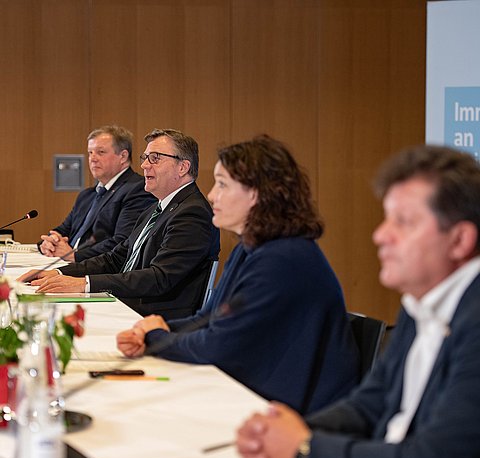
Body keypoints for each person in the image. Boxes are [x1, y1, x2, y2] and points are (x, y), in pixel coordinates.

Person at [236, 145, 480, 458]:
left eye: (403, 222)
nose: (380, 235)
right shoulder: (420, 303)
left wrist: (304, 448)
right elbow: (373, 402)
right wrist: (283, 433)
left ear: (460, 240)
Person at [116, 135, 359, 415]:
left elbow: (218, 346)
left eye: (222, 185)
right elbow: (210, 319)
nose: (211, 195)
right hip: (259, 388)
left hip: (290, 414)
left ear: (255, 194)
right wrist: (164, 329)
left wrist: (155, 337)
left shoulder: (283, 259)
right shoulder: (253, 246)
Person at [20, 128, 220, 319]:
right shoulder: (156, 208)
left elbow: (159, 277)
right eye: (145, 158)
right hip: (129, 304)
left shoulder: (192, 213)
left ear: (183, 167)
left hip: (154, 317)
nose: (144, 165)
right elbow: (115, 259)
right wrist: (57, 272)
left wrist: (84, 284)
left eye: (155, 158)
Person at [38, 125, 156, 262]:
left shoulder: (137, 189)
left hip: (98, 269)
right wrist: (50, 242)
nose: (92, 159)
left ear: (123, 156)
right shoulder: (87, 195)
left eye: (100, 152)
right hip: (68, 262)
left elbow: (123, 241)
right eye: (90, 153)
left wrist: (75, 255)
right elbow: (63, 229)